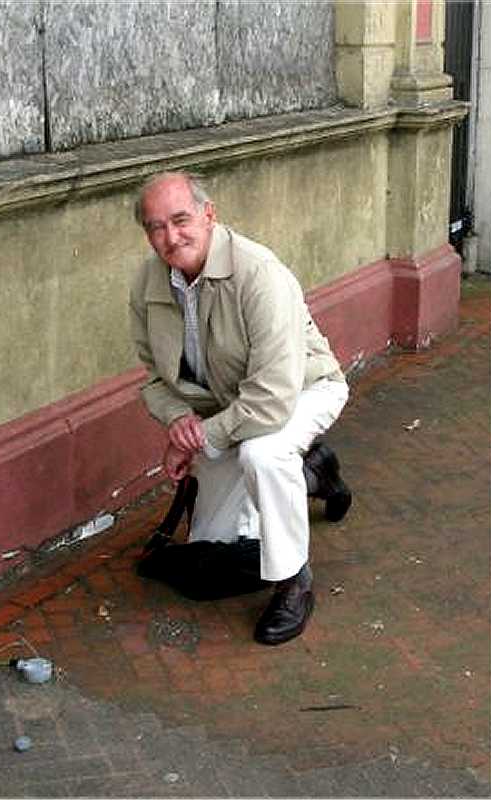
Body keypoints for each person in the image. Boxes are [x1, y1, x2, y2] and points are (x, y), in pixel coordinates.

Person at [129, 171, 351, 646]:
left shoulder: (259, 273)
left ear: (209, 215)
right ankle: (316, 472)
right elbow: (153, 377)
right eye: (156, 227)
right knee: (217, 550)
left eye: (181, 220)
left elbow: (272, 397)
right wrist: (179, 424)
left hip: (303, 390)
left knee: (263, 455)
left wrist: (201, 439)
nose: (170, 237)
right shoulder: (148, 283)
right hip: (235, 406)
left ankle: (295, 582)